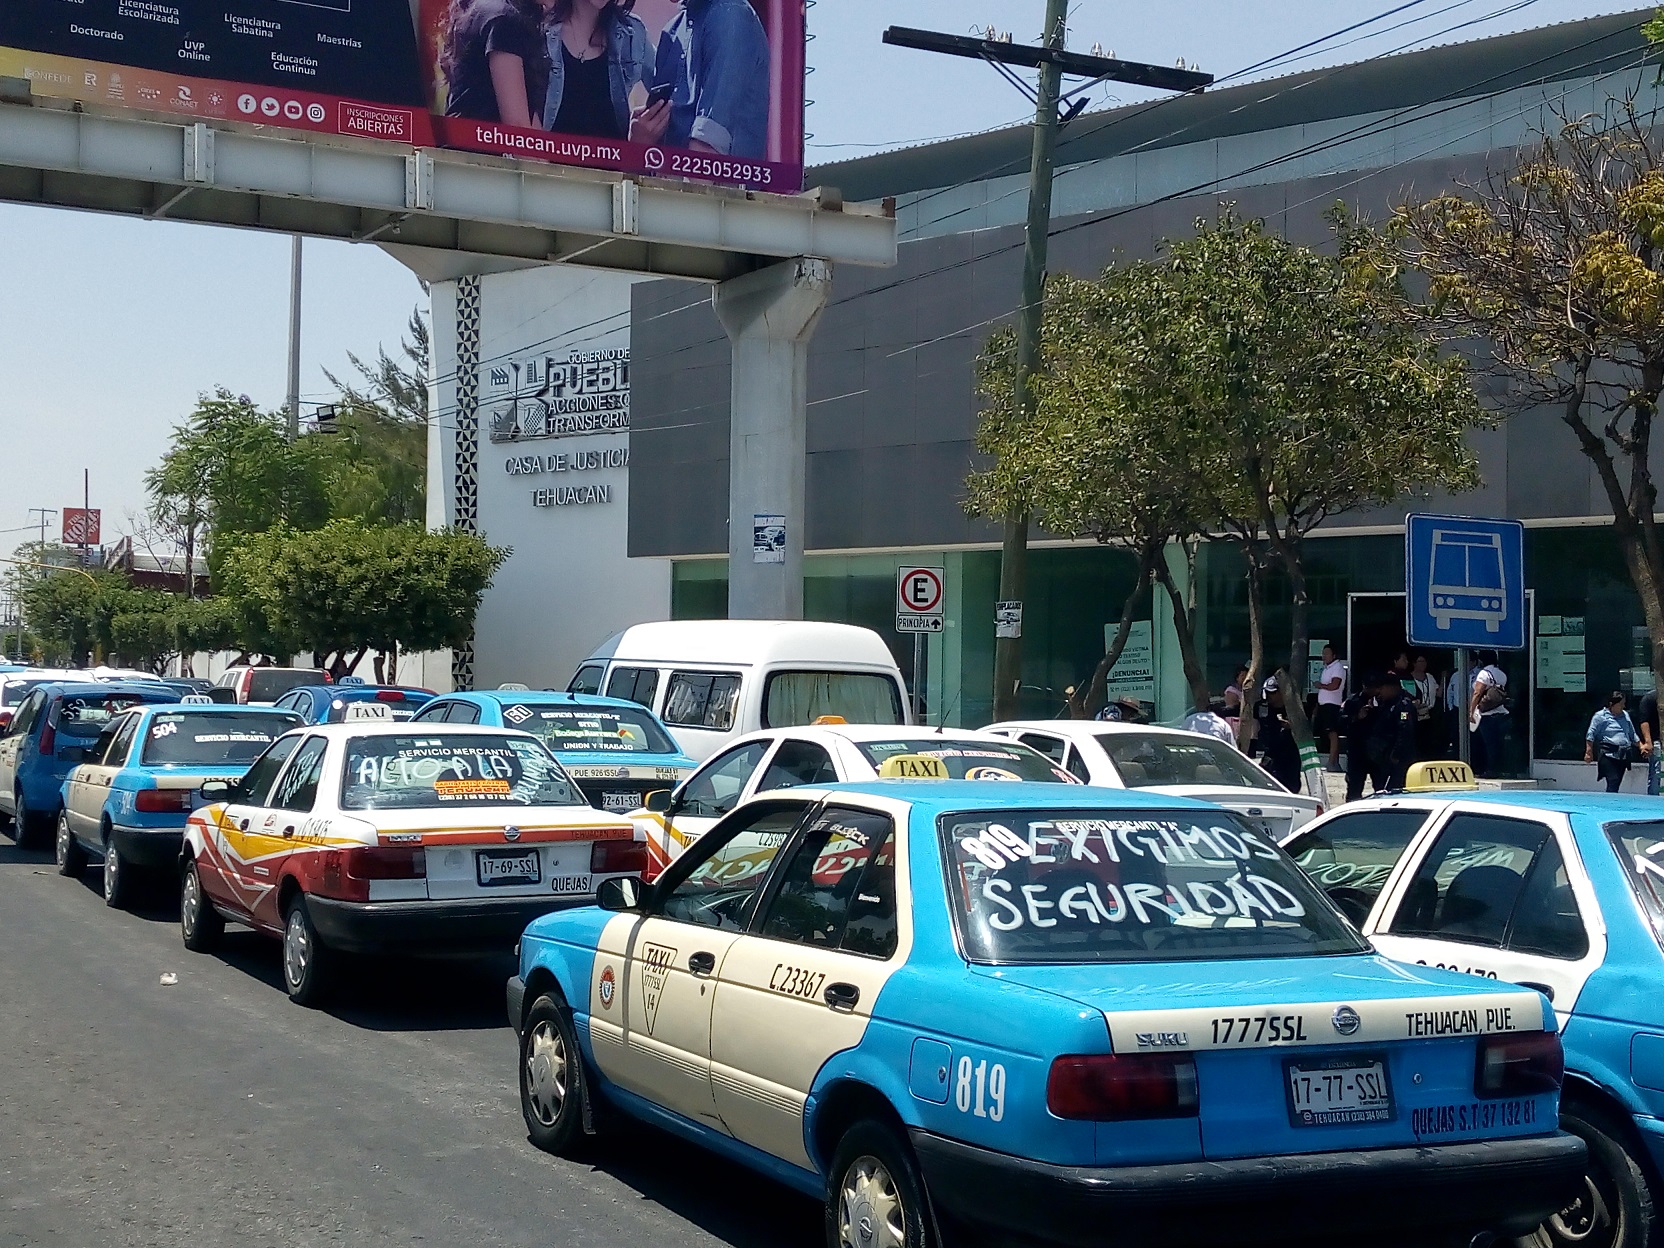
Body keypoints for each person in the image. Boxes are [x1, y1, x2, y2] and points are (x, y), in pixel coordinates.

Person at [635, 0, 771, 159]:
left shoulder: (731, 14)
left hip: (716, 180)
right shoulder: (671, 31)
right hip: (669, 178)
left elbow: (707, 148)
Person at [541, 0, 653, 140]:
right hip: (547, 160)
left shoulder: (632, 33)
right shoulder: (540, 30)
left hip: (612, 159)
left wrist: (642, 134)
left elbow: (669, 95)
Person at [442, 0, 555, 127]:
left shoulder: (486, 10)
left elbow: (529, 116)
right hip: (479, 143)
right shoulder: (504, 20)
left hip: (463, 139)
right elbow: (517, 126)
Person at [1345, 672, 1418, 800]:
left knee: (1392, 792)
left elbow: (1404, 731)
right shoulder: (1378, 702)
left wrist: (1395, 755)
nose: (1379, 692)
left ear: (1391, 687)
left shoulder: (1402, 705)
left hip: (1395, 759)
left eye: (1382, 688)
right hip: (1375, 756)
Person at [1249, 676, 1302, 792]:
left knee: (1290, 786)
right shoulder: (1261, 707)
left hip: (1289, 755)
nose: (1269, 696)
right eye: (1267, 692)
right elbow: (1254, 726)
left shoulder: (1293, 708)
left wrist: (1291, 726)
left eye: (1272, 693)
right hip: (1267, 753)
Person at [1585, 691, 1641, 793]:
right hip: (1608, 754)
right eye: (1621, 704)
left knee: (1617, 782)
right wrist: (1589, 752)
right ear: (1612, 704)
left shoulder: (1625, 715)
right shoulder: (1600, 716)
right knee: (1613, 780)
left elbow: (1632, 734)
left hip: (1623, 755)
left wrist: (1641, 746)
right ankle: (1610, 803)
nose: (1623, 706)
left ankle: (1611, 799)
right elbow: (1591, 734)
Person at [1470, 651, 1511, 778]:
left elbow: (1477, 693)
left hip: (1487, 714)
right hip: (1501, 712)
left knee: (1488, 744)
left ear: (1481, 661)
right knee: (1499, 744)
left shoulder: (1484, 674)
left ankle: (1490, 770)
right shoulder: (1501, 674)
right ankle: (1500, 768)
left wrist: (1471, 711)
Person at [1313, 645, 1346, 771]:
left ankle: (1332, 761)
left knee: (1332, 733)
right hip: (1324, 704)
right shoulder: (1326, 668)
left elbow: (1334, 685)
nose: (1324, 656)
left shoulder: (1337, 668)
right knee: (1326, 733)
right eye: (1323, 653)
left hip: (1332, 704)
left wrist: (1320, 685)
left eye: (1327, 653)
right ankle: (1331, 760)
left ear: (1334, 655)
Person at [1410, 654, 1442, 760]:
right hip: (1416, 713)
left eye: (1424, 661)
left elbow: (1439, 693)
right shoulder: (1409, 678)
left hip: (1430, 712)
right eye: (1420, 662)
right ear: (1414, 663)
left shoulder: (1430, 676)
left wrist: (1444, 679)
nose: (1423, 664)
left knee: (1430, 738)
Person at [1639, 686, 1661, 796]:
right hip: (1657, 741)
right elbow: (1644, 720)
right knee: (1656, 772)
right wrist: (1648, 742)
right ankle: (1654, 799)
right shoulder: (1650, 698)